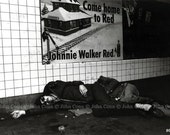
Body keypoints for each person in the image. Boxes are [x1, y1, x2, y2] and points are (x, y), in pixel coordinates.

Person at [11, 79, 165, 119]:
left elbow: (72, 82)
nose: (46, 101)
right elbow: (39, 111)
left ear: (44, 95)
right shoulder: (59, 104)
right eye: (44, 104)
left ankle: (143, 105)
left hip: (93, 89)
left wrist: (81, 85)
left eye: (43, 99)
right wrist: (24, 112)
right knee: (101, 111)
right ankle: (140, 109)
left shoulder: (54, 87)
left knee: (109, 104)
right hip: (93, 101)